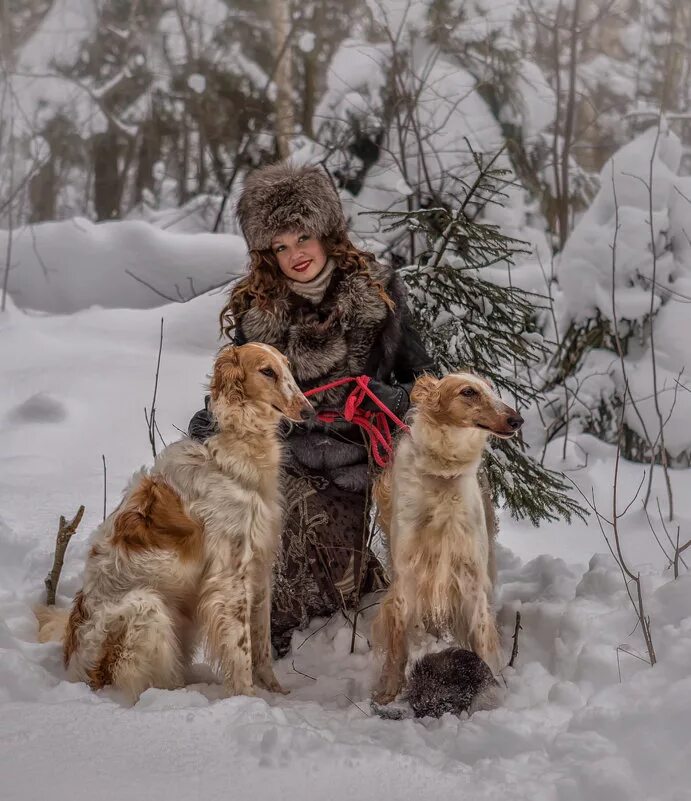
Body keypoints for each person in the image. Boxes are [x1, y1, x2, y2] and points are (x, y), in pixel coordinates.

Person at [188, 162, 435, 655]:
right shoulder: (256, 311)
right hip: (289, 462)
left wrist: (395, 399)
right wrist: (210, 420)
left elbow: (424, 379)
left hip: (359, 464)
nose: (295, 254)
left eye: (302, 237)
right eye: (280, 246)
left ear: (325, 232)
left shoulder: (378, 293)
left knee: (327, 579)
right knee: (264, 561)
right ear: (267, 253)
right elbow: (238, 386)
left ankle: (360, 575)